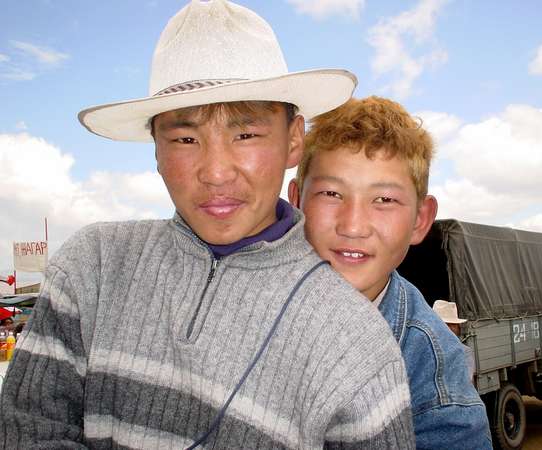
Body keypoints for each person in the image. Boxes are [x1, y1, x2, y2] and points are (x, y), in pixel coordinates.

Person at [0, 2, 416, 449]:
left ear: (294, 139)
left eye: (246, 134)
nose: (216, 172)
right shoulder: (93, 268)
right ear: (156, 148)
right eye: (185, 138)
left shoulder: (355, 343)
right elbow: (29, 430)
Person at [288, 96, 492, 449]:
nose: (353, 225)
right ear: (296, 201)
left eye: (384, 200)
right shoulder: (237, 301)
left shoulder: (432, 376)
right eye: (331, 192)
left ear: (420, 220)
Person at [432, 299, 476, 380]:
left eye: (452, 325)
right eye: (444, 325)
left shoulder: (464, 352)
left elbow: (464, 382)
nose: (448, 329)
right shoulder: (425, 351)